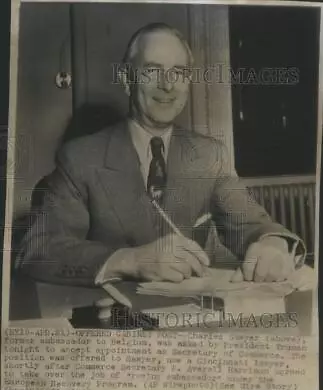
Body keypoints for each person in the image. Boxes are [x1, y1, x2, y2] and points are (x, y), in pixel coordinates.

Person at [16, 23, 305, 296]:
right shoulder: (80, 157)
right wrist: (130, 260)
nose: (168, 85)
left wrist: (272, 244)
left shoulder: (209, 155)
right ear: (126, 80)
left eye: (178, 72)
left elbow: (252, 223)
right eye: (152, 71)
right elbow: (37, 249)